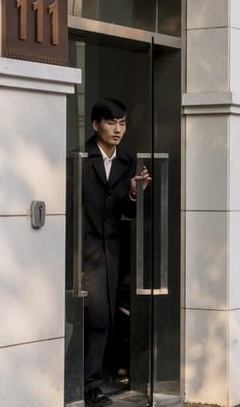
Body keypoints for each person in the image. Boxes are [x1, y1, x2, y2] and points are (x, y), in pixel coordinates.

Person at [81, 98, 150, 406]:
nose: (118, 129)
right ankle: (87, 385)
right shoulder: (80, 158)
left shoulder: (128, 162)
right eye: (111, 123)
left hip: (112, 252)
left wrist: (134, 191)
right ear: (96, 124)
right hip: (83, 250)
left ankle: (91, 382)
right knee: (92, 318)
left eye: (122, 123)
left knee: (105, 317)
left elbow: (127, 212)